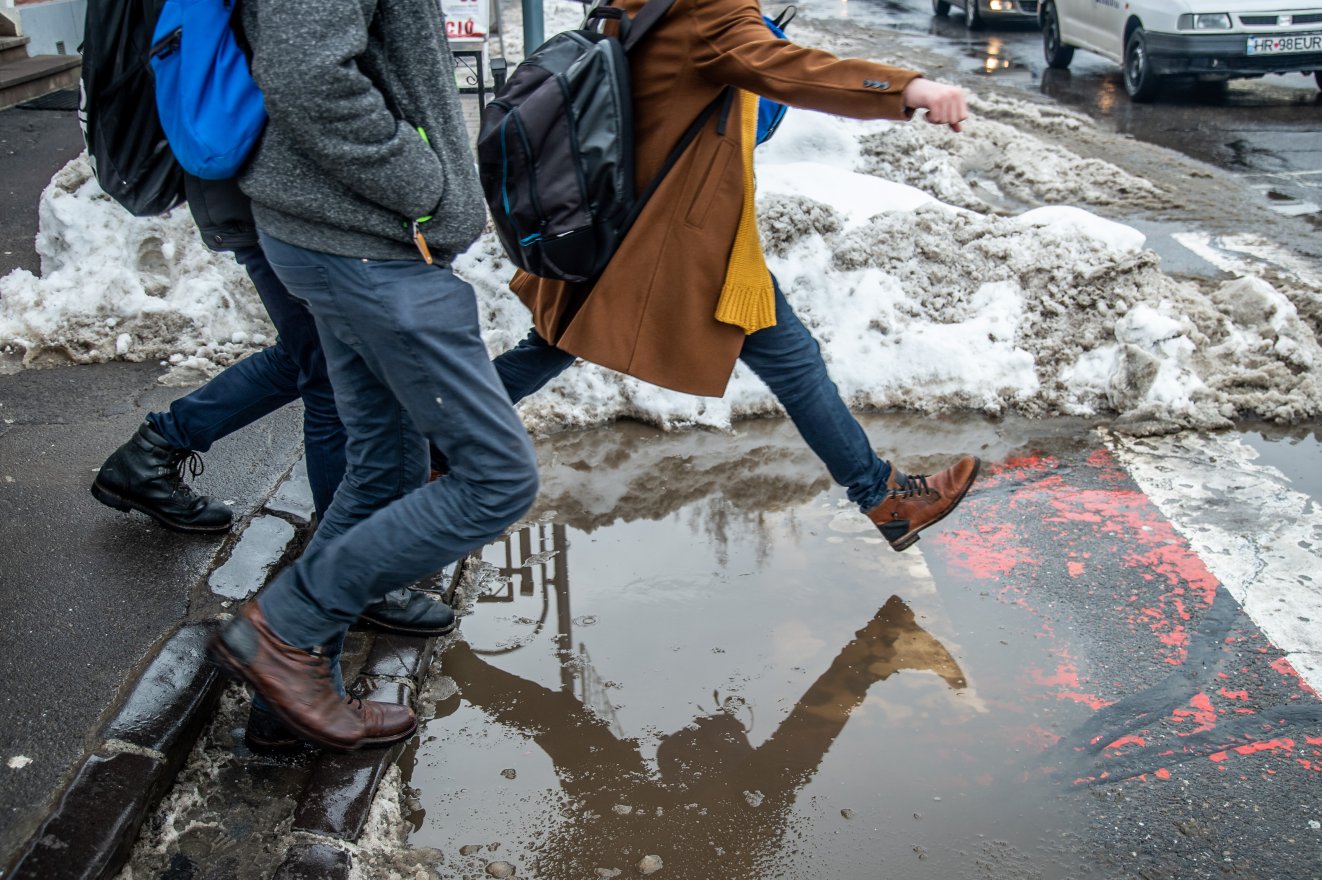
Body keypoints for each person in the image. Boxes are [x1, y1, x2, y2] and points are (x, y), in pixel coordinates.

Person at [479, 0, 979, 551]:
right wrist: (905, 89)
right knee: (793, 361)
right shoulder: (710, 7)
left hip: (621, 215)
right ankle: (886, 499)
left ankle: (436, 440)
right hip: (673, 236)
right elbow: (784, 67)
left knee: (552, 343)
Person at [206, 0, 539, 751]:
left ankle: (283, 708)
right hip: (366, 242)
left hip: (347, 237)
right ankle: (282, 630)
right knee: (497, 478)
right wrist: (421, 183)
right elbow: (304, 72)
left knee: (386, 464)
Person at [90, 176, 457, 640]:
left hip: (269, 204)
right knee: (325, 370)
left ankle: (150, 453)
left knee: (306, 356)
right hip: (287, 208)